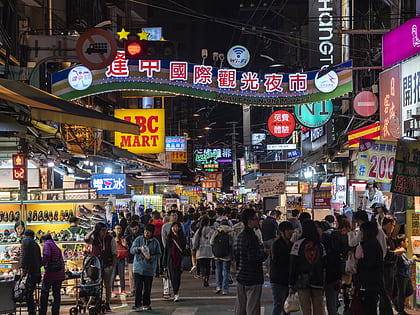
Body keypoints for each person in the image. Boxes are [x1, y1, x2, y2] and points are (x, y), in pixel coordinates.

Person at [234, 208, 268, 315]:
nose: (257, 221)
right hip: (253, 277)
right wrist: (265, 254)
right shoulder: (252, 237)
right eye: (255, 219)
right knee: (252, 309)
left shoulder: (240, 236)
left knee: (241, 308)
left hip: (241, 276)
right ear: (249, 221)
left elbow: (237, 255)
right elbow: (253, 258)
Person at [289, 220, 326, 315]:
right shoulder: (320, 245)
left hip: (302, 281)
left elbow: (293, 264)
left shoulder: (297, 244)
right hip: (318, 280)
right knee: (318, 309)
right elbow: (325, 264)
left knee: (306, 310)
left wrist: (291, 284)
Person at [84, 222, 117, 312]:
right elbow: (86, 239)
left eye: (105, 230)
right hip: (96, 267)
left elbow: (114, 253)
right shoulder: (94, 239)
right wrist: (93, 230)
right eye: (102, 230)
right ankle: (94, 301)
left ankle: (107, 303)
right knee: (95, 284)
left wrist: (112, 265)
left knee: (107, 285)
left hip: (107, 265)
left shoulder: (110, 239)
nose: (105, 232)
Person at [130, 224, 162, 311]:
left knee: (147, 288)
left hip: (149, 269)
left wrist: (151, 258)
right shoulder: (138, 239)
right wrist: (139, 249)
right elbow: (132, 250)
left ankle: (146, 304)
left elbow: (159, 254)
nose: (146, 233)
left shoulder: (155, 242)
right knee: (138, 287)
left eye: (148, 232)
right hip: (138, 268)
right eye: (145, 232)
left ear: (152, 233)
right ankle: (137, 304)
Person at [356, 221, 384, 315]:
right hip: (372, 282)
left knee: (368, 308)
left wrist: (358, 261)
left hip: (369, 283)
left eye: (362, 231)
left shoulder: (370, 245)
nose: (360, 233)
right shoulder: (372, 244)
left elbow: (369, 263)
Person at [270, 221, 294, 315]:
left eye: (291, 230)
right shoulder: (276, 244)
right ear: (282, 231)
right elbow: (277, 260)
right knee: (279, 304)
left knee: (288, 306)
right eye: (288, 230)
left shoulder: (292, 244)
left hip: (288, 279)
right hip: (278, 279)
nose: (291, 232)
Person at [39, 233, 65, 315]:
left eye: (41, 243)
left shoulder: (47, 244)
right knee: (56, 294)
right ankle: (55, 312)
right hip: (59, 273)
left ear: (43, 240)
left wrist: (39, 264)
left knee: (44, 293)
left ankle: (43, 311)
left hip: (50, 273)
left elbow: (46, 256)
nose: (42, 245)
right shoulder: (56, 246)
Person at [394, 236, 419, 315]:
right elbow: (406, 264)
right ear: (402, 242)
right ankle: (401, 311)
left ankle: (396, 301)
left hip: (406, 275)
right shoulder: (399, 252)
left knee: (409, 291)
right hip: (401, 275)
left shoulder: (403, 251)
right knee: (402, 293)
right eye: (407, 241)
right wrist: (413, 259)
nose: (408, 243)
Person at [162, 221, 187, 302]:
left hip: (180, 260)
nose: (174, 228)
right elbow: (166, 250)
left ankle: (176, 291)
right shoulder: (169, 238)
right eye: (173, 227)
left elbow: (184, 250)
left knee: (178, 277)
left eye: (176, 226)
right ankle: (176, 293)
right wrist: (164, 263)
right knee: (173, 277)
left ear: (179, 228)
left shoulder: (182, 238)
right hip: (171, 260)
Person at [20, 229, 42, 315]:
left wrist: (22, 268)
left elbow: (23, 255)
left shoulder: (25, 241)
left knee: (28, 292)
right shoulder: (36, 244)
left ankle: (31, 311)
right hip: (36, 272)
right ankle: (33, 309)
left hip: (29, 271)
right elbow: (40, 259)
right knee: (31, 291)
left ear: (25, 235)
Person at [210, 219, 234, 295]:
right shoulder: (231, 231)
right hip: (227, 254)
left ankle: (218, 286)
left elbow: (211, 242)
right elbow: (233, 243)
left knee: (218, 269)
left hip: (217, 254)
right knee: (226, 271)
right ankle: (225, 289)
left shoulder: (217, 231)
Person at [192, 215, 214, 287]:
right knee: (208, 266)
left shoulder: (199, 231)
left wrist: (194, 248)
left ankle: (204, 275)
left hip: (200, 251)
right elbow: (213, 241)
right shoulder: (211, 230)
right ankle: (207, 277)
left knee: (202, 266)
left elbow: (195, 241)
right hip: (209, 251)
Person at [111, 224, 128, 296]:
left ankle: (123, 290)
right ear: (114, 230)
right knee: (113, 275)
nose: (119, 230)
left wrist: (125, 245)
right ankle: (111, 291)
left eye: (120, 229)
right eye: (117, 229)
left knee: (122, 275)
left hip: (121, 258)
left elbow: (126, 246)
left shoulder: (123, 238)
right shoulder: (112, 239)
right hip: (114, 259)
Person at [126, 221, 142, 296]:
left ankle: (139, 290)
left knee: (140, 274)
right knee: (131, 275)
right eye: (133, 229)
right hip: (131, 258)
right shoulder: (128, 237)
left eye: (136, 229)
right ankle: (132, 290)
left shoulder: (142, 236)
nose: (134, 231)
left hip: (140, 258)